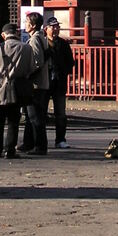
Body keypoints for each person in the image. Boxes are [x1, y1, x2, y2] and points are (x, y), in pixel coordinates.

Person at [0, 22, 32, 159]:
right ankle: (10, 150)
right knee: (13, 121)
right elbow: (30, 69)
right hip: (17, 88)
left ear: (3, 35)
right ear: (16, 33)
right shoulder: (26, 48)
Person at [19, 10, 50, 155]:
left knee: (35, 116)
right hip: (41, 82)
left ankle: (40, 145)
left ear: (32, 25)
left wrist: (28, 74)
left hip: (36, 83)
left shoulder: (35, 39)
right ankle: (28, 142)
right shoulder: (41, 37)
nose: (25, 24)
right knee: (31, 115)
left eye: (26, 22)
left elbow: (37, 61)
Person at [45, 17, 75, 149]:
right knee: (40, 112)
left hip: (59, 81)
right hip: (44, 81)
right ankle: (39, 140)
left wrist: (62, 70)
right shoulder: (41, 43)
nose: (56, 29)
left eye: (57, 27)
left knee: (60, 113)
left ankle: (60, 139)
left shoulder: (63, 44)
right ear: (46, 29)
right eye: (53, 27)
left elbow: (70, 62)